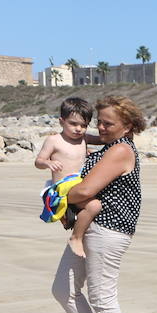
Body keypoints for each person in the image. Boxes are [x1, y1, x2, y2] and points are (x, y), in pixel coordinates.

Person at [51, 95, 146, 313]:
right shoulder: (108, 146)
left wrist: (62, 195)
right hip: (91, 226)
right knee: (63, 289)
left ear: (127, 126)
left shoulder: (120, 151)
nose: (101, 128)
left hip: (109, 230)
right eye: (100, 122)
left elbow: (84, 191)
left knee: (102, 296)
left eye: (108, 123)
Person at [35, 97, 102, 257]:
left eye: (84, 125)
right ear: (61, 121)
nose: (78, 129)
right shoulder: (54, 140)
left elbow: (103, 139)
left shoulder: (84, 139)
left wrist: (124, 135)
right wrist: (48, 163)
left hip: (78, 183)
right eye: (73, 124)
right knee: (94, 206)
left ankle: (69, 215)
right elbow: (38, 161)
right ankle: (76, 237)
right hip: (62, 186)